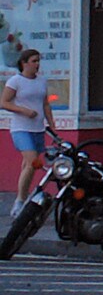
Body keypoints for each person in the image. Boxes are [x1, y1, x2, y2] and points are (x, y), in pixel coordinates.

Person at [2, 50, 56, 216]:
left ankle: (23, 198)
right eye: (33, 61)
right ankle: (20, 200)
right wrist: (23, 110)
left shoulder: (41, 81)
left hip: (38, 128)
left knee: (27, 165)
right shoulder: (15, 81)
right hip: (21, 128)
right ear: (24, 63)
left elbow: (45, 104)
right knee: (33, 162)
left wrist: (52, 124)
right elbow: (3, 102)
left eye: (38, 61)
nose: (37, 64)